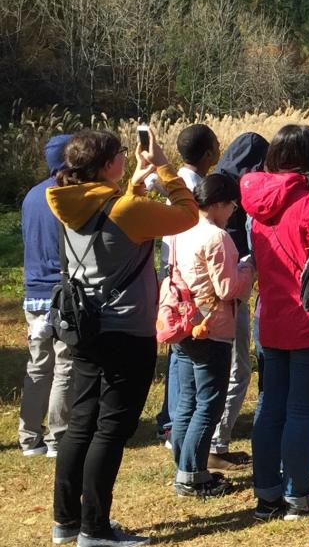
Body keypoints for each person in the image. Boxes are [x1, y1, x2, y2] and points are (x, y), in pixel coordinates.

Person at [47, 129, 198, 546]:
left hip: (86, 328)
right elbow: (188, 214)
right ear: (107, 164)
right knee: (111, 429)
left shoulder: (68, 202)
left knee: (82, 423)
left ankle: (66, 521)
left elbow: (114, 216)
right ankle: (95, 529)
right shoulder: (125, 210)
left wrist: (135, 179)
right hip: (127, 330)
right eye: (119, 155)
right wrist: (164, 166)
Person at [242, 125, 309, 521]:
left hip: (271, 316)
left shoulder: (255, 203)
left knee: (269, 408)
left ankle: (267, 492)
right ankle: (298, 494)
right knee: (300, 412)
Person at [168, 173, 255, 498]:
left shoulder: (181, 229)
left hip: (184, 323)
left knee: (188, 401)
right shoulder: (218, 237)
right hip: (212, 326)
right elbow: (228, 287)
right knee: (209, 402)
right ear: (219, 203)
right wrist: (249, 266)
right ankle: (192, 474)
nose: (233, 211)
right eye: (232, 204)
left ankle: (184, 464)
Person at [205, 132, 270, 471]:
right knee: (236, 370)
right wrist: (252, 264)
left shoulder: (211, 188)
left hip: (203, 302)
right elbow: (230, 270)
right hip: (227, 299)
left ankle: (208, 444)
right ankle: (215, 444)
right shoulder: (232, 199)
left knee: (219, 371)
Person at [153, 124, 220, 444]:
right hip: (186, 276)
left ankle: (172, 418)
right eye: (217, 145)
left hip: (174, 271)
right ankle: (174, 420)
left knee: (179, 350)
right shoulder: (192, 187)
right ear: (209, 153)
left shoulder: (177, 180)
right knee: (183, 350)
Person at [17, 134, 73, 459]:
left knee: (38, 364)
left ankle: (28, 439)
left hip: (33, 293)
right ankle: (57, 438)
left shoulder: (30, 197)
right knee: (64, 364)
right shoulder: (66, 196)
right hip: (61, 293)